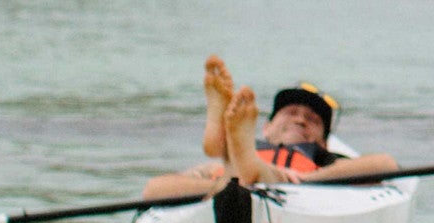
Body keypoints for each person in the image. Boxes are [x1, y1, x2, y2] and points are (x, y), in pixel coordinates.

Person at [143, 57, 397, 199]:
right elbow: (154, 189)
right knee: (230, 174)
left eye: (312, 120)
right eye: (290, 113)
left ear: (323, 142)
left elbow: (385, 165)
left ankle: (243, 166)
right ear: (265, 128)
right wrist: (218, 188)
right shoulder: (215, 167)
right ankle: (235, 168)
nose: (300, 120)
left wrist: (304, 179)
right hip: (228, 183)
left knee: (258, 173)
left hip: (279, 182)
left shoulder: (325, 161)